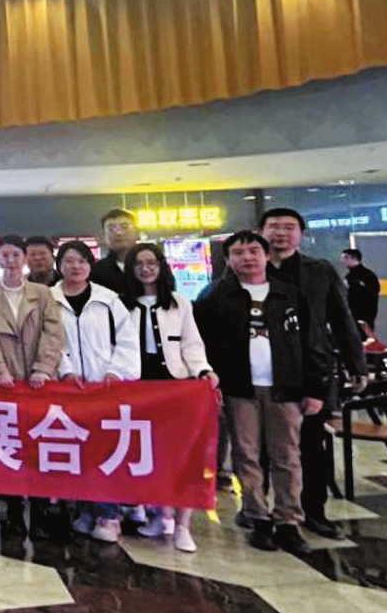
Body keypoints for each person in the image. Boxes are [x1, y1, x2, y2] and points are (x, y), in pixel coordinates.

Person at [195, 231, 328, 554]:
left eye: (254, 251)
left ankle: (288, 520)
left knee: (287, 456)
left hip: (286, 387)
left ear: (266, 255)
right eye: (238, 252)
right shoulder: (215, 296)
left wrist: (315, 387)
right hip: (239, 388)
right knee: (246, 455)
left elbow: (311, 342)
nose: (247, 257)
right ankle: (258, 517)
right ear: (228, 260)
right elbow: (203, 345)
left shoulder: (290, 293)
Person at [262, 208, 366, 540]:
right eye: (274, 227)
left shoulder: (319, 271)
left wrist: (356, 364)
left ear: (300, 234)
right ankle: (260, 512)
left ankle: (314, 511)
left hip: (310, 371)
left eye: (288, 227)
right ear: (261, 231)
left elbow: (342, 318)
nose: (281, 233)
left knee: (311, 444)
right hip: (264, 371)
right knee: (262, 446)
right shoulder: (249, 269)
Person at [121, 242, 218, 553]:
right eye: (139, 264)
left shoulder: (179, 302)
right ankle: (162, 516)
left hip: (176, 386)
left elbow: (192, 344)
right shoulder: (121, 305)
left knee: (182, 455)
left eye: (151, 263)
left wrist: (203, 370)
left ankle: (183, 524)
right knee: (151, 455)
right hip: (139, 387)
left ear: (161, 266)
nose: (145, 269)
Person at [51, 240, 140, 543]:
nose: (75, 267)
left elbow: (127, 341)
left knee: (105, 451)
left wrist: (115, 371)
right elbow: (48, 342)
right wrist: (65, 370)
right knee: (75, 450)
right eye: (68, 261)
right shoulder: (48, 299)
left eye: (81, 261)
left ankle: (108, 514)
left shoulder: (108, 299)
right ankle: (85, 510)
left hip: (105, 388)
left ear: (90, 265)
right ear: (59, 266)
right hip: (69, 389)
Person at [0, 235, 65, 537]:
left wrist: (44, 368)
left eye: (16, 254)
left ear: (24, 258)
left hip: (38, 381)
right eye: (5, 255)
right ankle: (12, 509)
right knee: (9, 444)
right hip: (4, 382)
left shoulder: (42, 293)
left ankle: (40, 508)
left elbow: (53, 333)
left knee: (40, 443)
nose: (11, 260)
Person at [90, 209, 138, 291]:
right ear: (103, 236)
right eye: (111, 229)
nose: (118, 233)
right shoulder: (94, 272)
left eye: (124, 227)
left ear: (137, 232)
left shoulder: (152, 267)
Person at [341, 248, 380, 334]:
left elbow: (373, 294)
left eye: (345, 257)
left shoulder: (368, 276)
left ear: (354, 258)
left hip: (364, 317)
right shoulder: (348, 276)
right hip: (351, 317)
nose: (343, 261)